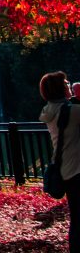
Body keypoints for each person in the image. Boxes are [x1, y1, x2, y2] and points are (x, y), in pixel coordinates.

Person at [41, 71, 80, 252]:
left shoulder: (50, 111)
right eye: (66, 83)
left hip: (66, 170)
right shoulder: (71, 111)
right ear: (60, 89)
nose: (69, 86)